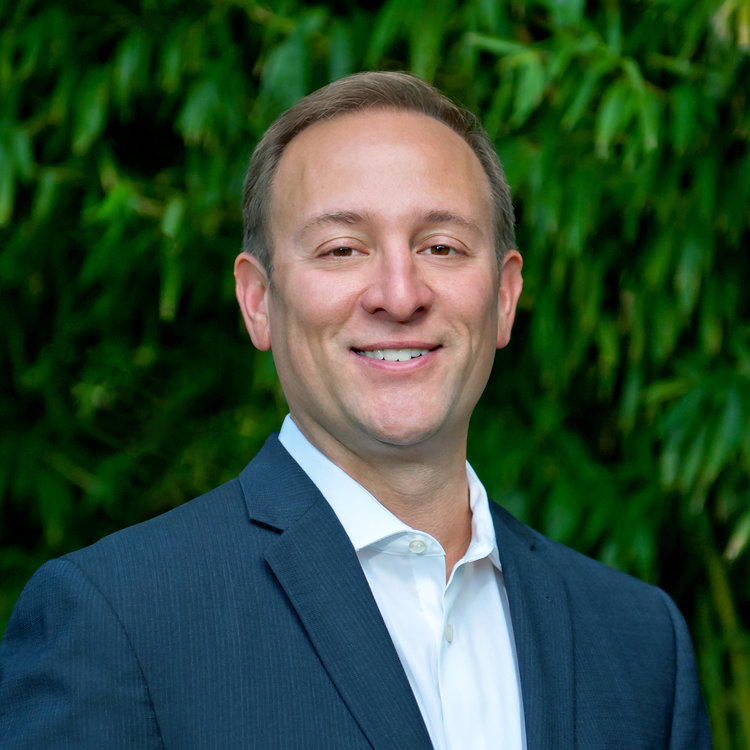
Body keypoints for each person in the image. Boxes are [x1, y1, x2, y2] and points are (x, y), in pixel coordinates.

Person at [0, 71, 711, 749]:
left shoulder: (639, 641)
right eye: (342, 249)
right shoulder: (118, 621)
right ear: (258, 301)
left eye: (441, 245)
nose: (399, 295)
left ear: (503, 295)